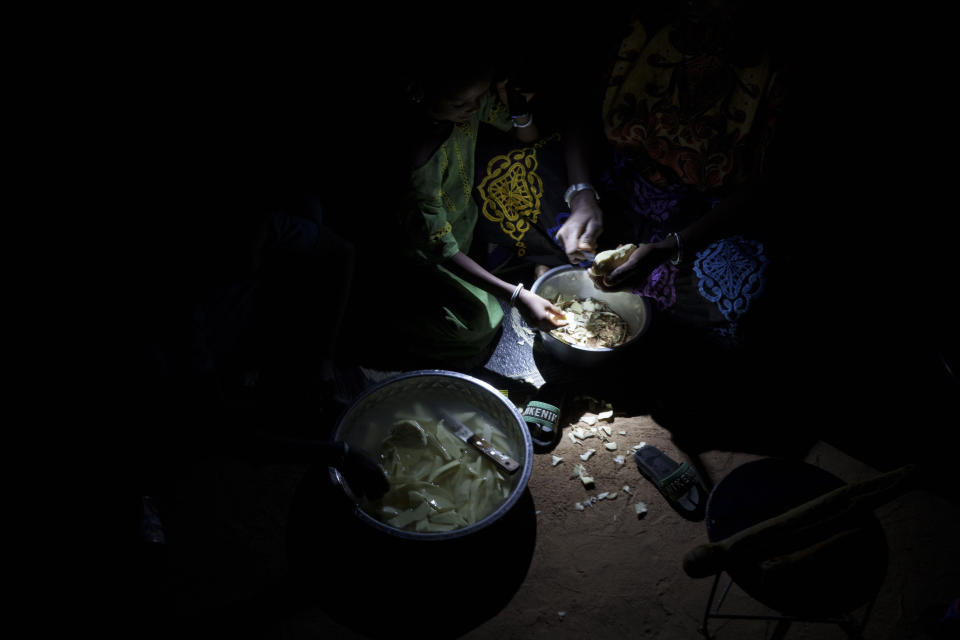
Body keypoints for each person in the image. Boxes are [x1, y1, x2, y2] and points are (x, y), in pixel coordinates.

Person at [335, 36, 568, 371]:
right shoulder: (417, 158)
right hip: (422, 255)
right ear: (418, 92)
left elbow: (526, 137)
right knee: (480, 324)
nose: (473, 109)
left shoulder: (463, 109)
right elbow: (439, 246)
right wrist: (517, 296)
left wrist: (516, 104)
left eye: (480, 98)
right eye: (462, 103)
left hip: (463, 231)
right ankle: (373, 329)